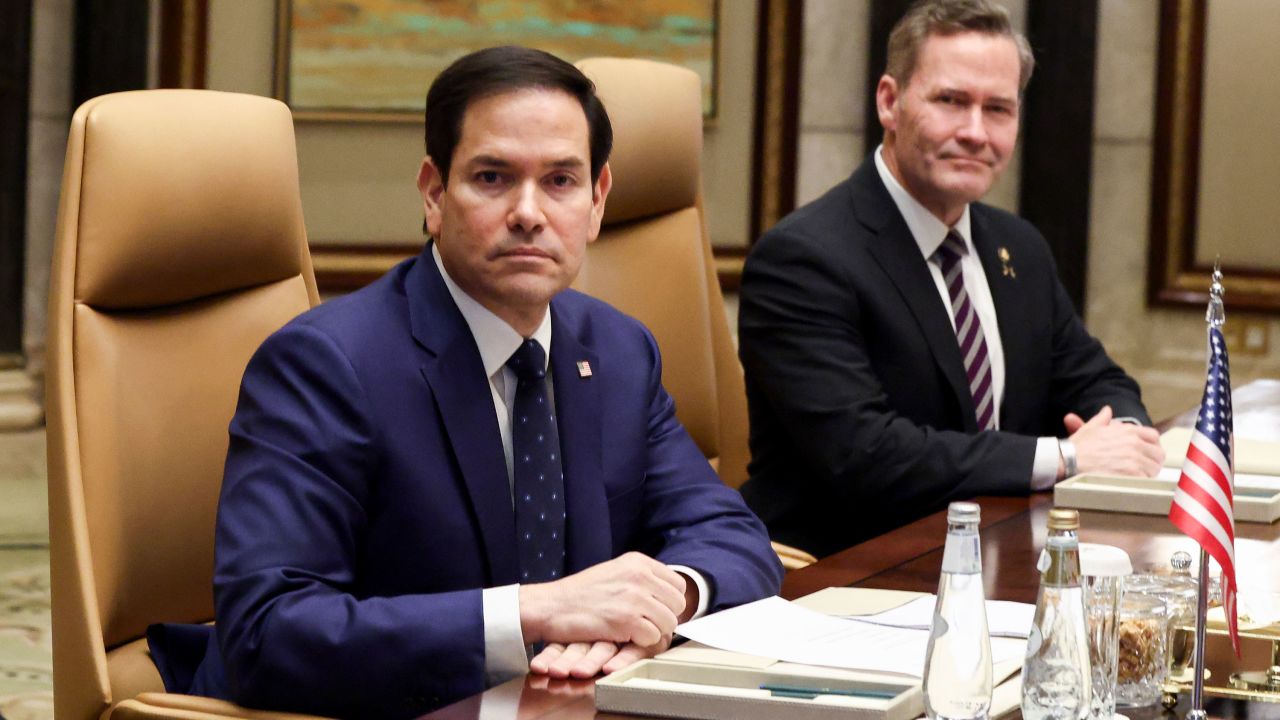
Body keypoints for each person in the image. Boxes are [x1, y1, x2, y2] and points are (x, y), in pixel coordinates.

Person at [149, 46, 782, 718]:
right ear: (432, 193)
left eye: (562, 181)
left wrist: (660, 601)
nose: (529, 212)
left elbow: (732, 537)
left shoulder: (618, 349)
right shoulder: (327, 365)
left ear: (598, 202)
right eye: (492, 177)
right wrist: (537, 613)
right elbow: (266, 632)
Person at [737, 0, 1164, 558]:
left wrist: (1125, 437)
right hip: (847, 575)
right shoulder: (804, 259)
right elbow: (867, 456)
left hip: (999, 555)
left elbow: (1097, 380)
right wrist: (1069, 458)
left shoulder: (1019, 248)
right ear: (889, 102)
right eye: (951, 101)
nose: (974, 132)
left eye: (998, 110)